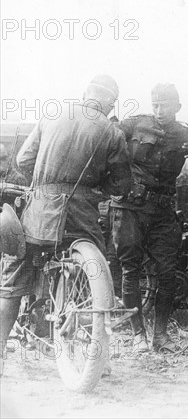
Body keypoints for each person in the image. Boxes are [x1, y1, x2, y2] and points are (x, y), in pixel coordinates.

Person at [0, 74, 132, 374]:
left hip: (40, 214)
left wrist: (45, 181)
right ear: (111, 103)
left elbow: (23, 160)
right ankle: (100, 357)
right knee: (96, 275)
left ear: (85, 92)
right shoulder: (112, 132)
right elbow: (122, 185)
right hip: (80, 218)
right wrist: (98, 187)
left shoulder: (53, 116)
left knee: (12, 280)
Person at [111, 83, 188, 353]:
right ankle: (137, 335)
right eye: (155, 105)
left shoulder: (184, 133)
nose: (159, 111)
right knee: (130, 270)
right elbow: (107, 138)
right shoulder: (135, 124)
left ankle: (160, 336)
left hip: (163, 212)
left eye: (164, 105)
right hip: (130, 208)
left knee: (167, 272)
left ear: (177, 106)